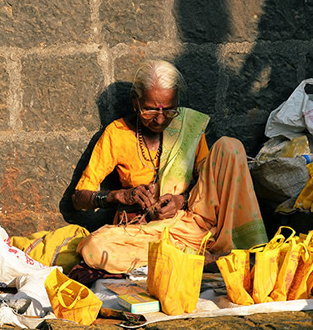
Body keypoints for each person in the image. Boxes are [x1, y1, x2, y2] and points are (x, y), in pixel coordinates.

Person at [71, 60, 267, 274]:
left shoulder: (188, 126)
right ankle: (205, 260)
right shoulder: (116, 134)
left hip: (191, 225)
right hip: (143, 233)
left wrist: (180, 200)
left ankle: (239, 247)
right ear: (135, 101)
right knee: (94, 248)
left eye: (170, 110)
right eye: (150, 110)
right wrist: (119, 196)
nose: (160, 119)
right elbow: (79, 199)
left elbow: (209, 185)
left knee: (230, 147)